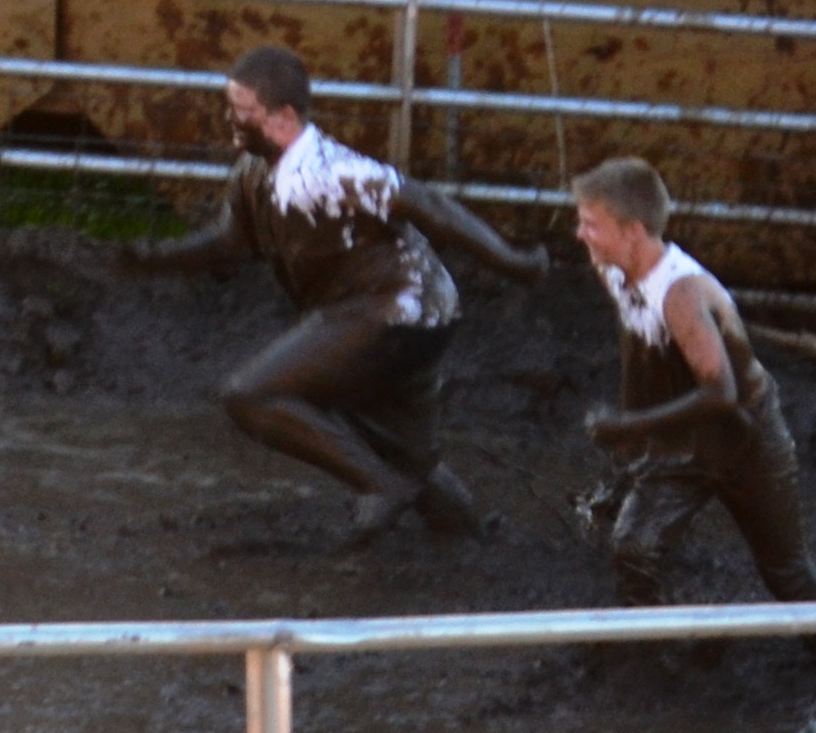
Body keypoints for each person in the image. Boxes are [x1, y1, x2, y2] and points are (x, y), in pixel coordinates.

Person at [125, 43, 548, 543]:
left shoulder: (329, 171)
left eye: (243, 113)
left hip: (399, 310)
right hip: (400, 312)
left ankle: (380, 486)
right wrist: (156, 259)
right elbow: (229, 243)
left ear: (284, 117)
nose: (231, 122)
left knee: (251, 394)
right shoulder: (253, 172)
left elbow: (425, 202)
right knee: (409, 456)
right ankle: (469, 543)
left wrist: (512, 262)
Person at [568, 158, 816, 609]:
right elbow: (638, 350)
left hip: (747, 438)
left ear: (633, 231)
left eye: (592, 224)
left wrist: (629, 427)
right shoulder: (615, 271)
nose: (580, 234)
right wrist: (634, 451)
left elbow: (721, 391)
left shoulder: (682, 295)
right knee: (633, 548)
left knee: (786, 572)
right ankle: (653, 654)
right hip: (683, 440)